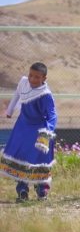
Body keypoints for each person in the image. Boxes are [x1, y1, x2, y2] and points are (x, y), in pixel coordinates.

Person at [0, 63, 57, 202]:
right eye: (31, 75)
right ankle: (22, 191)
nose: (32, 79)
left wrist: (46, 133)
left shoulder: (45, 95)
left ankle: (41, 191)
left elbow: (52, 115)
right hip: (23, 127)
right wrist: (10, 111)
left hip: (39, 130)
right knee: (21, 157)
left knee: (39, 159)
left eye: (37, 77)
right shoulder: (24, 83)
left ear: (44, 78)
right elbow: (17, 94)